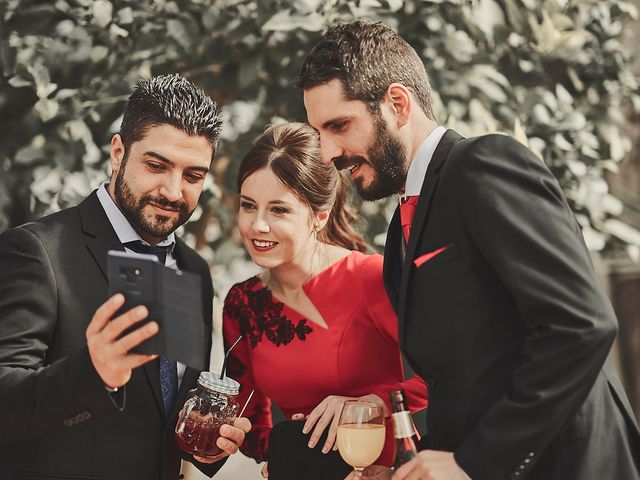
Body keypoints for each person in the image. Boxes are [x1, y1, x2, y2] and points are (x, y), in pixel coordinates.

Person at [295, 20, 640, 480]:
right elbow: (464, 379)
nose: (327, 152)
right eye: (319, 131)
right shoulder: (402, 227)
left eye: (339, 125)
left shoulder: (484, 165)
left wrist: (475, 462)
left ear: (397, 103)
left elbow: (581, 326)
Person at [0, 74, 250, 480]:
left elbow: (168, 409)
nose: (172, 190)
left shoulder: (193, 270)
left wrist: (206, 444)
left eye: (193, 175)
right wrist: (93, 373)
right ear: (118, 153)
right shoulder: (35, 251)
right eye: (156, 165)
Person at [222, 122, 428, 478]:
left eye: (279, 210)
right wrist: (288, 453)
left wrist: (371, 404)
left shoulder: (371, 277)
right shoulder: (243, 304)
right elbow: (252, 429)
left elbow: (440, 375)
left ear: (319, 214)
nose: (258, 225)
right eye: (248, 206)